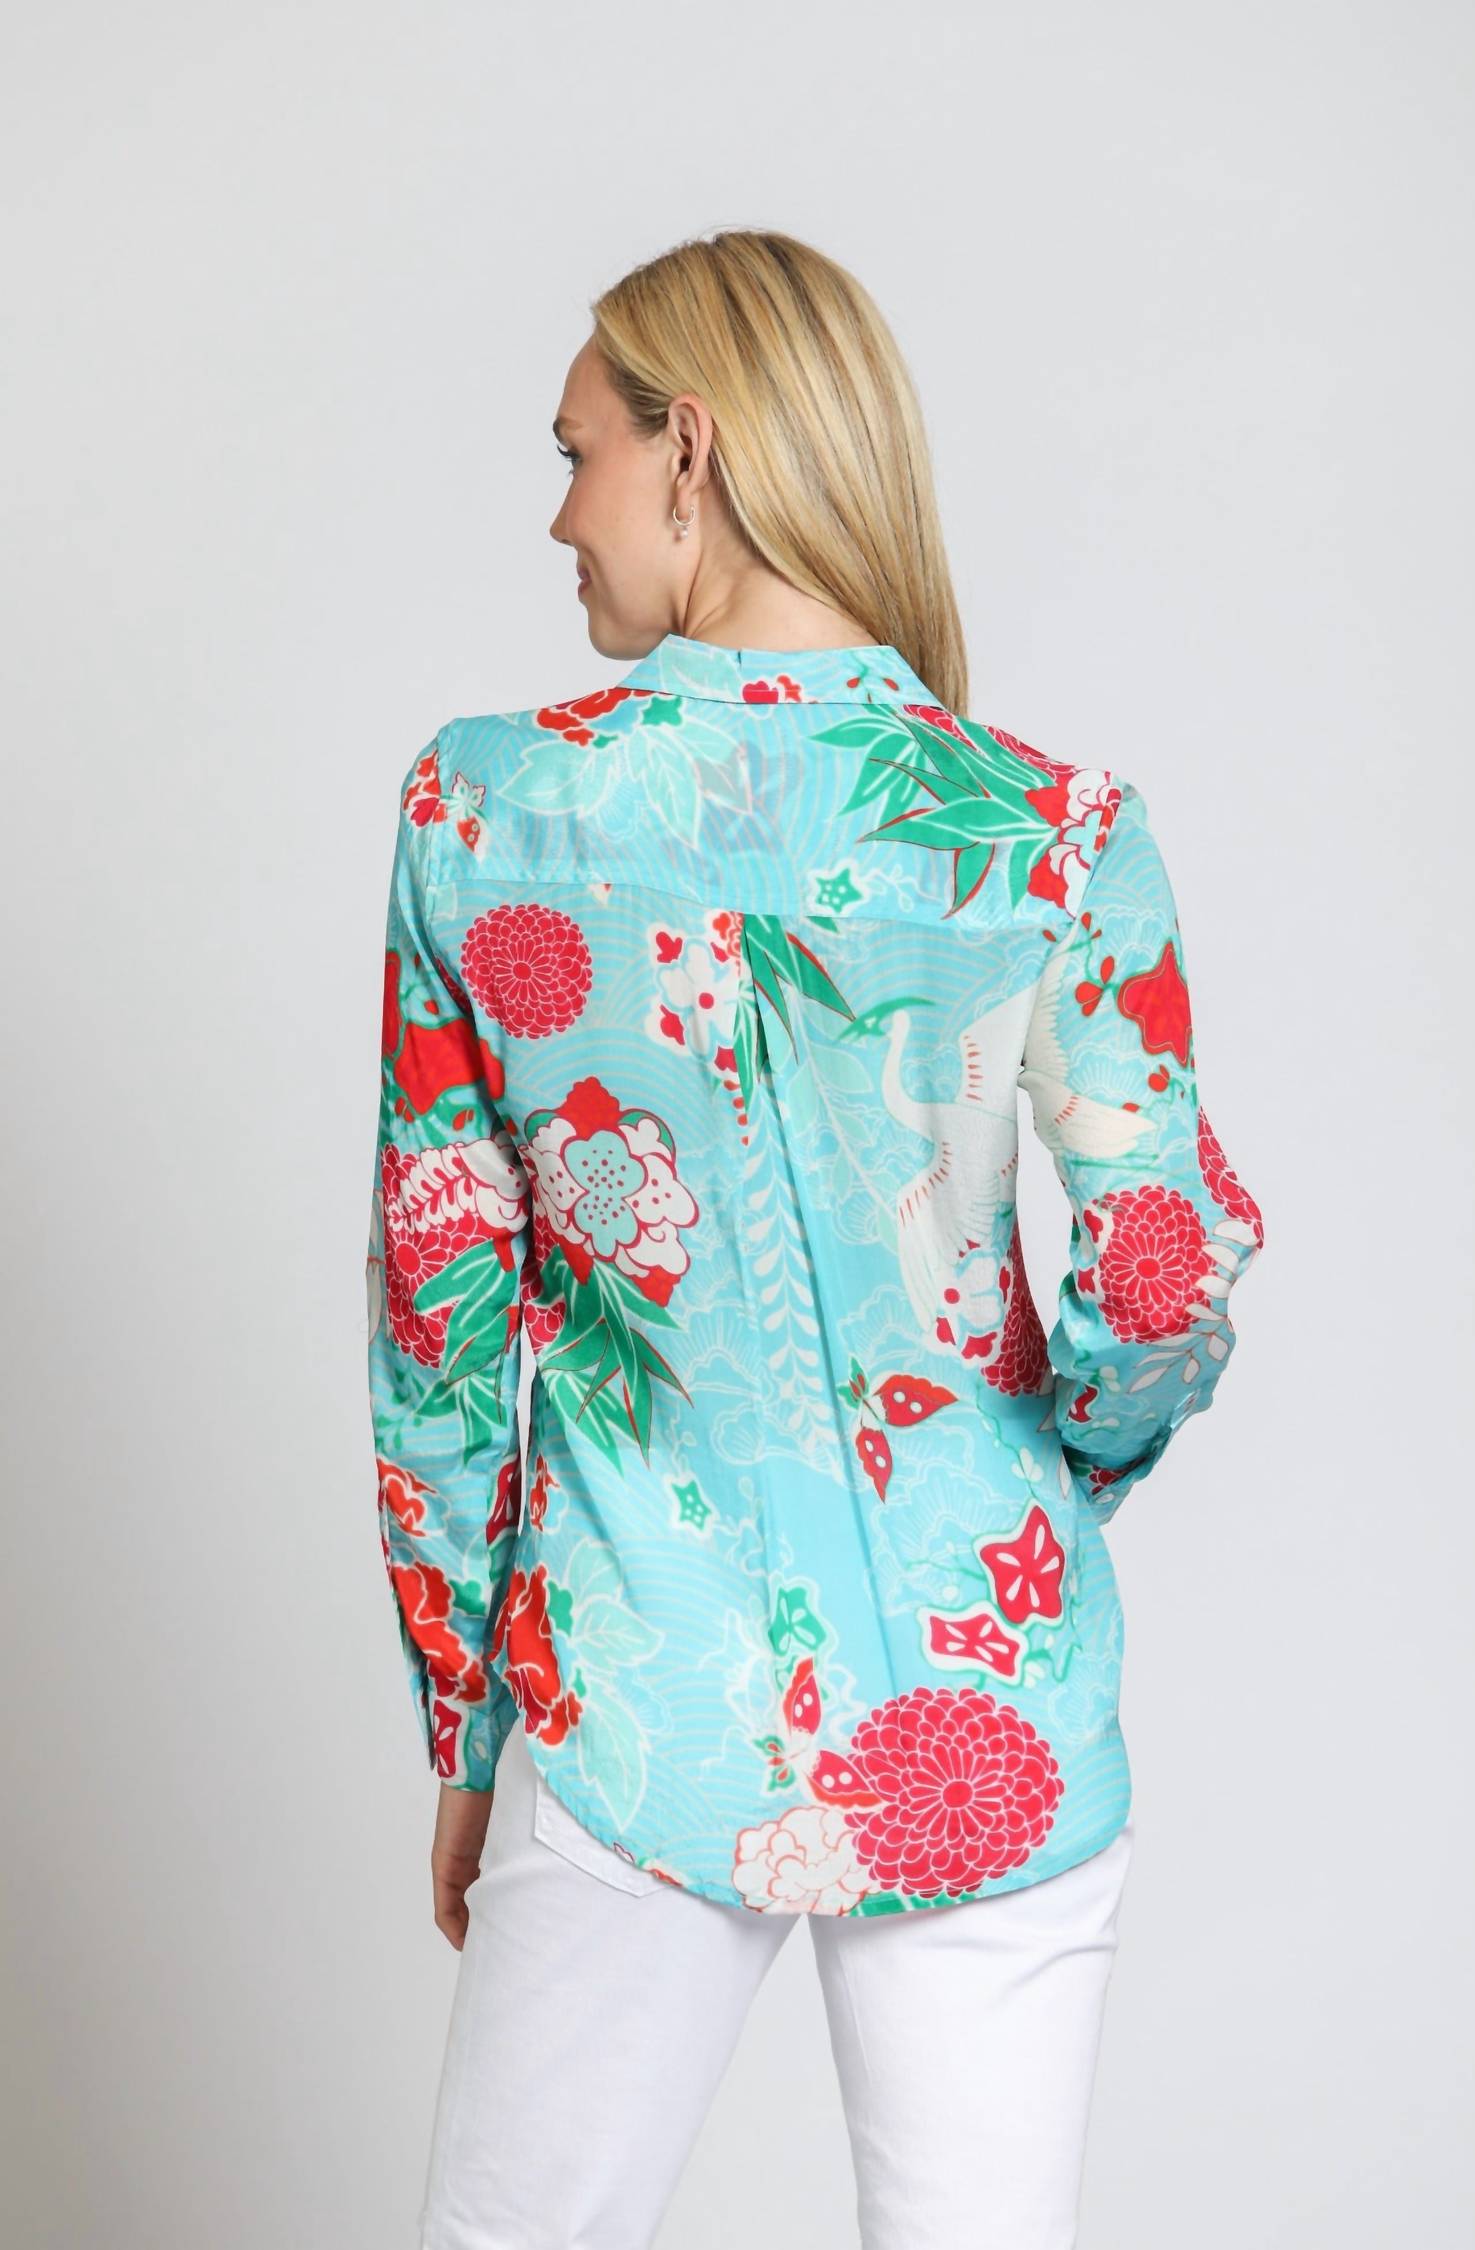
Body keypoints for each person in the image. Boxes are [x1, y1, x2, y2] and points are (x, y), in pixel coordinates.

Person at [365, 226, 1263, 2250]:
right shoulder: (1054, 830)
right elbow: (1160, 1269)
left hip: (627, 1679)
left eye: (579, 453)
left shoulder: (483, 813)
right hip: (992, 1688)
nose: (559, 515)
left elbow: (443, 1312)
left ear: (691, 448)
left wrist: (467, 1713)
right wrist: (1046, 1464)